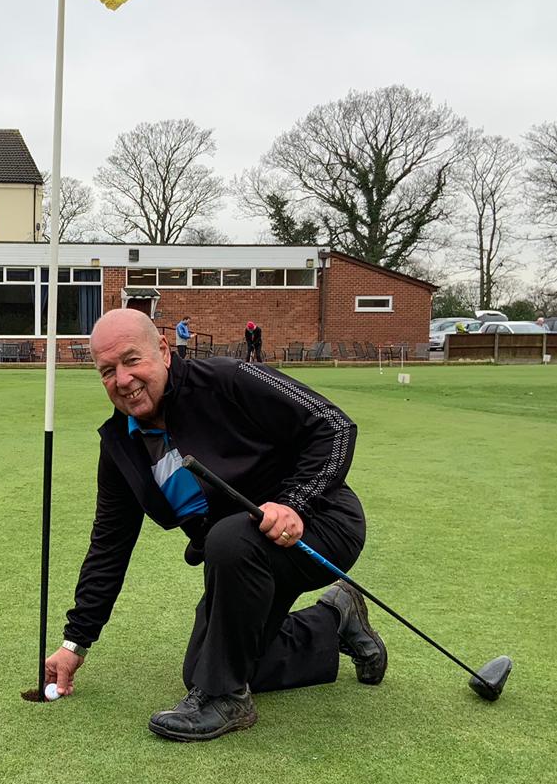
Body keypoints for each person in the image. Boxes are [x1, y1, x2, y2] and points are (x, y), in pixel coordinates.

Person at [43, 309, 384, 742]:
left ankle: (227, 700)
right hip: (241, 556)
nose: (123, 380)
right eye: (107, 371)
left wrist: (292, 503)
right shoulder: (120, 446)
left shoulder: (227, 378)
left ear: (164, 351)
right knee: (204, 666)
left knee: (227, 548)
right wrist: (76, 643)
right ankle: (335, 620)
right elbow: (109, 546)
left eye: (132, 361)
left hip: (322, 524)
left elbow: (333, 425)